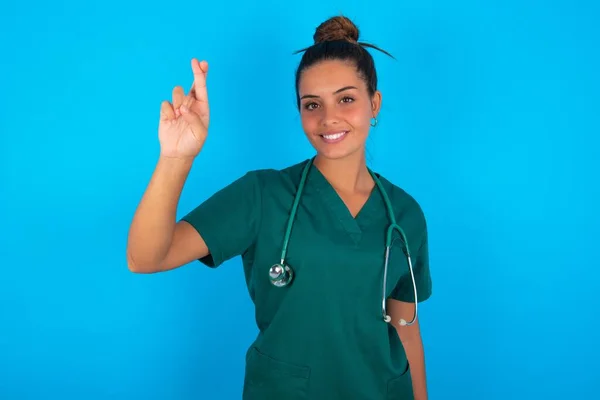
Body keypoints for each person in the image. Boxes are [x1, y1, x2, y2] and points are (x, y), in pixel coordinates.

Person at [127, 15, 433, 400]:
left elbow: (405, 328)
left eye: (347, 99)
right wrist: (176, 156)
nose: (328, 118)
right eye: (312, 104)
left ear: (374, 103)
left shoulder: (404, 216)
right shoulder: (262, 194)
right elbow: (145, 258)